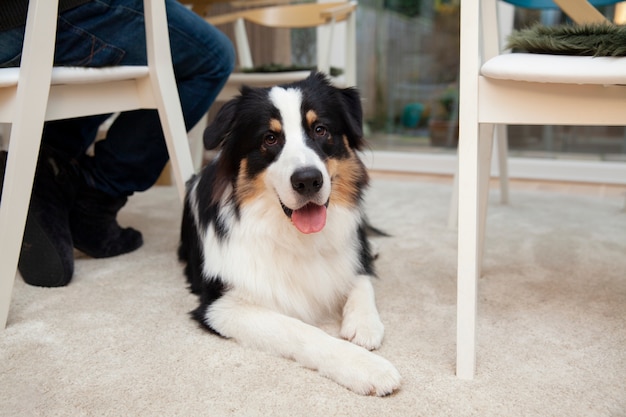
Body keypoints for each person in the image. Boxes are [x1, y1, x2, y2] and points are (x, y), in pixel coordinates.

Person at [0, 0, 235, 287]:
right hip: (27, 21)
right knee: (212, 57)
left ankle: (49, 168)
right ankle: (95, 196)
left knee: (116, 48)